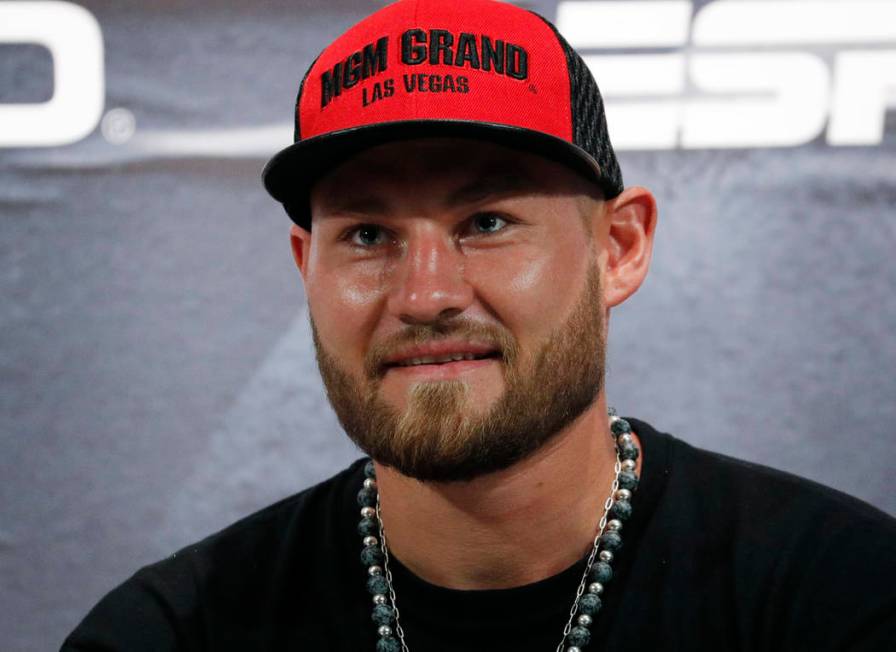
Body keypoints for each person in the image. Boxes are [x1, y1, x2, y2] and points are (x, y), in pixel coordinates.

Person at [62, 1, 896, 650]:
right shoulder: (168, 633)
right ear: (304, 267)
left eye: (487, 222)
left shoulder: (840, 597)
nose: (426, 295)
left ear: (620, 247)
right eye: (367, 235)